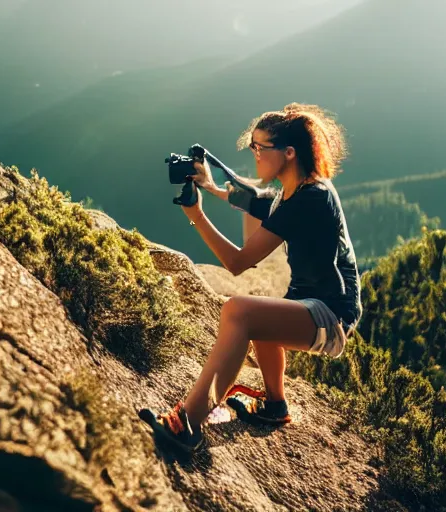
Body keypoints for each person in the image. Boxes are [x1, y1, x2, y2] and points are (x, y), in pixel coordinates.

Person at [141, 103, 362, 451]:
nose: (254, 153)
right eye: (253, 146)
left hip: (331, 316)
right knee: (262, 314)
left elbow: (237, 262)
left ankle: (188, 424)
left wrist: (196, 215)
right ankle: (275, 405)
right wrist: (210, 186)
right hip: (315, 306)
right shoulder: (296, 191)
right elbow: (256, 200)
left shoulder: (310, 199)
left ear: (288, 153)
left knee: (239, 312)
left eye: (260, 147)